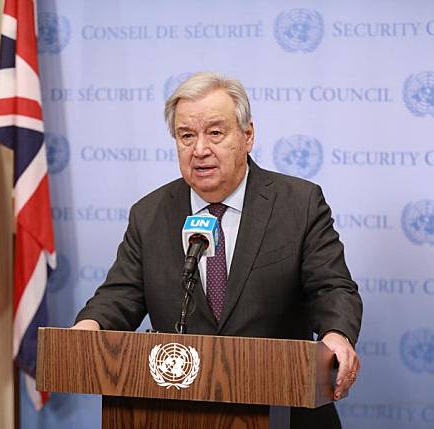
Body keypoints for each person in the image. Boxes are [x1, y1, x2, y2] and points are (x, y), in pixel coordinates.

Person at [73, 72, 362, 428]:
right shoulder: (150, 215)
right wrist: (90, 327)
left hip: (285, 410)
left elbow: (332, 287)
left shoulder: (298, 203)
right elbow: (120, 296)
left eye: (215, 132)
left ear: (247, 136)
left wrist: (336, 334)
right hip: (179, 413)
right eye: (186, 136)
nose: (200, 150)